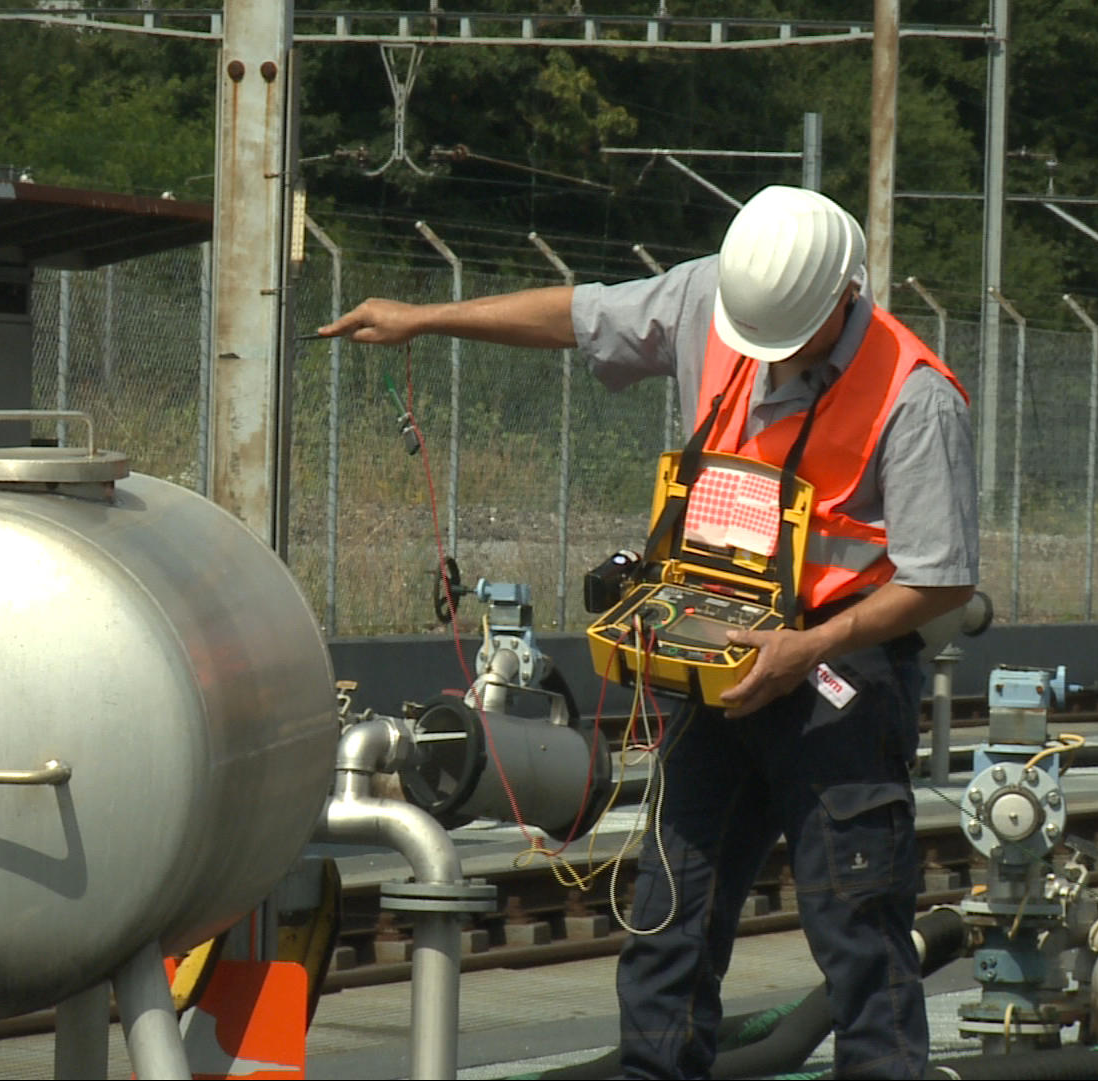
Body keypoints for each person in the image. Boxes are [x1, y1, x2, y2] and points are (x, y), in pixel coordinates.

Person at [318, 185, 978, 1080]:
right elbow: (576, 315)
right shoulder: (715, 294)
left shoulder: (913, 395)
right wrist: (425, 319)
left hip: (835, 676)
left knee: (860, 941)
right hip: (717, 659)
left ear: (844, 296)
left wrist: (805, 650)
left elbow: (939, 577)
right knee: (668, 926)